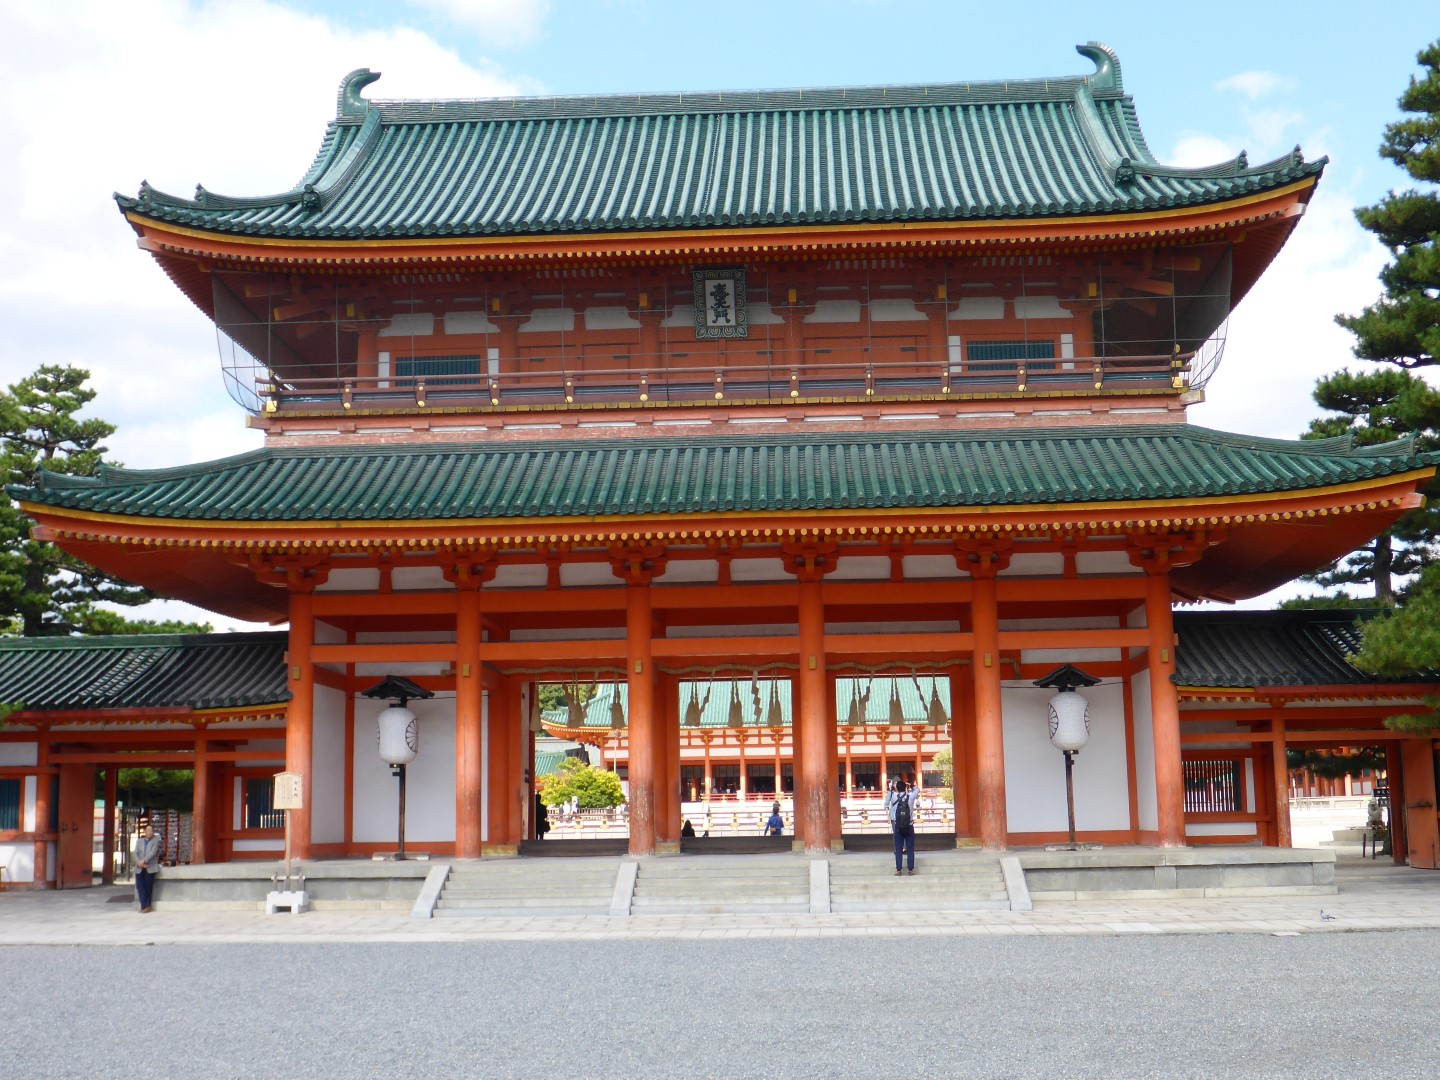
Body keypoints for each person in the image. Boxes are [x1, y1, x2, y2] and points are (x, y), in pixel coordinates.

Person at [887, 778, 916, 875]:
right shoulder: (911, 797)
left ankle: (898, 870)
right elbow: (917, 789)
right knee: (910, 849)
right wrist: (911, 785)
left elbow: (890, 795)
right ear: (905, 788)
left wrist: (893, 788)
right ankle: (910, 870)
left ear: (897, 788)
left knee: (898, 849)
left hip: (898, 826)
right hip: (909, 825)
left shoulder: (893, 797)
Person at [132, 822, 161, 913]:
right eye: (148, 830)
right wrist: (139, 862)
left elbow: (152, 853)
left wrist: (143, 861)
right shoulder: (139, 841)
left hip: (150, 866)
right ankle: (145, 905)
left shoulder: (156, 840)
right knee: (139, 886)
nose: (150, 832)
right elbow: (135, 853)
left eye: (151, 830)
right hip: (139, 867)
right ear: (144, 831)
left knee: (148, 886)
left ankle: (147, 906)